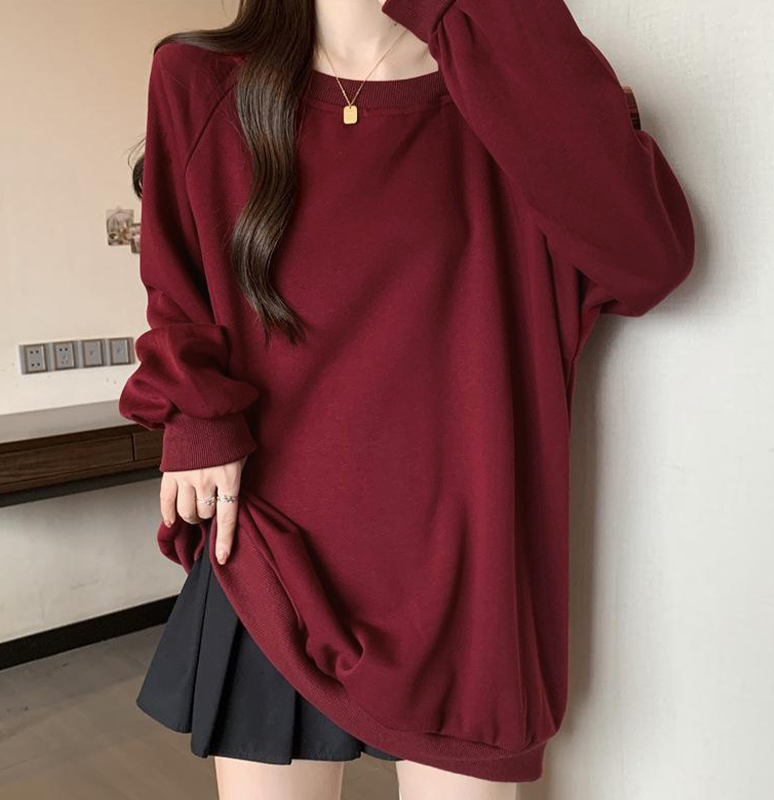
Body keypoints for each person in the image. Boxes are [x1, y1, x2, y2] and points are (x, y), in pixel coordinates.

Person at [118, 0, 696, 798]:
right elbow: (178, 290)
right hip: (271, 551)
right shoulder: (199, 80)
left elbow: (649, 260)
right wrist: (196, 412)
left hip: (469, 580)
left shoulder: (514, 89)